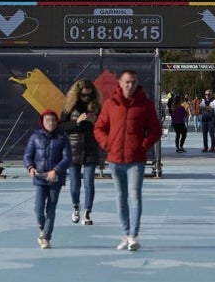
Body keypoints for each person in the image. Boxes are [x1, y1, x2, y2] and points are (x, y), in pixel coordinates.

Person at [94, 69, 162, 251]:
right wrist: (107, 143)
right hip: (115, 160)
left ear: (137, 83)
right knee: (120, 197)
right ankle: (125, 234)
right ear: (120, 83)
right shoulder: (110, 104)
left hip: (136, 160)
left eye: (133, 81)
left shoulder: (145, 105)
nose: (130, 85)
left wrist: (143, 146)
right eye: (127, 82)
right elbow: (99, 128)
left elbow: (156, 130)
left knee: (135, 196)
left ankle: (133, 235)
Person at [23, 109, 71, 249]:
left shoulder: (62, 138)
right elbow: (27, 155)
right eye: (47, 120)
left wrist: (56, 170)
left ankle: (46, 237)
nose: (50, 123)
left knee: (51, 208)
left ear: (57, 122)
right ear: (42, 122)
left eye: (53, 120)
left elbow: (67, 158)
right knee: (38, 208)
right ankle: (42, 226)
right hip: (39, 178)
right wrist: (30, 167)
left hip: (55, 179)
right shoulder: (35, 137)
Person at [60, 78, 102, 226]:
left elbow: (104, 125)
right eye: (83, 95)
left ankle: (88, 211)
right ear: (77, 94)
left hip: (91, 147)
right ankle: (76, 206)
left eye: (89, 95)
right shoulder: (69, 106)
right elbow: (62, 126)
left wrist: (96, 121)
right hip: (73, 147)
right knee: (75, 183)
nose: (86, 98)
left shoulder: (96, 106)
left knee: (89, 182)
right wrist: (77, 122)